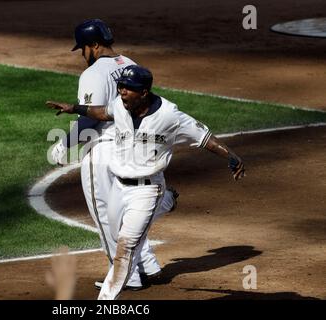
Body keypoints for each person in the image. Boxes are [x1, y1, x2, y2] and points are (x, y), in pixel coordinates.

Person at [46, 65, 246, 300]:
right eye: (120, 87)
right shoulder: (121, 105)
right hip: (118, 188)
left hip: (147, 189)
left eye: (127, 88)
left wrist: (231, 156)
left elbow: (204, 138)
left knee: (125, 248)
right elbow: (102, 112)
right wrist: (74, 108)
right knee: (115, 231)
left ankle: (106, 300)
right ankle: (166, 201)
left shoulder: (170, 116)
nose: (121, 92)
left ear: (144, 92)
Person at [50, 19, 176, 290]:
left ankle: (126, 277)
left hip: (102, 152)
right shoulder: (130, 64)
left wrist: (65, 143)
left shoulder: (93, 73)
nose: (83, 55)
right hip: (128, 150)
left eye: (83, 48)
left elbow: (90, 118)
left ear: (94, 45)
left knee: (105, 215)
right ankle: (147, 264)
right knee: (126, 214)